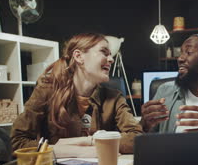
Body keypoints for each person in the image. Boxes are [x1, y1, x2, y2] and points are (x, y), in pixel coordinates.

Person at [11, 33, 143, 157]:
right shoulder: (47, 90)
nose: (111, 59)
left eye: (111, 55)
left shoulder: (114, 97)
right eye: (104, 52)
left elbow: (136, 139)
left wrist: (91, 141)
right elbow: (17, 142)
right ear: (79, 57)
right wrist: (73, 151)